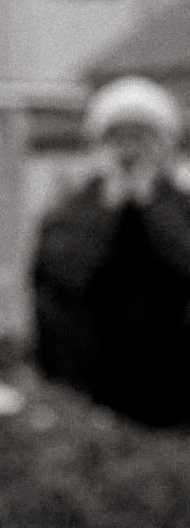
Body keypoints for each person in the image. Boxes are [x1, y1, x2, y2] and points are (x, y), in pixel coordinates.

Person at [33, 73, 190, 427]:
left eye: (142, 139)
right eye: (120, 139)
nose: (130, 151)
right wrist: (109, 204)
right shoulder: (76, 205)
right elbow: (65, 273)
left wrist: (151, 204)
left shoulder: (178, 205)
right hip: (92, 374)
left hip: (172, 374)